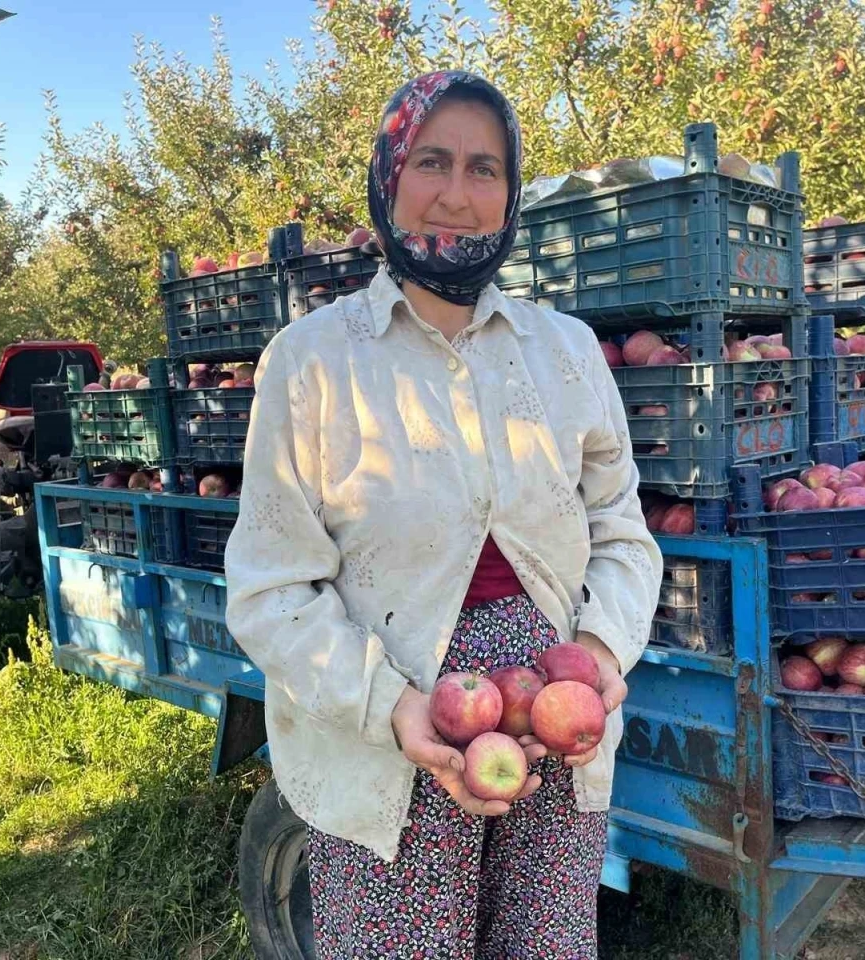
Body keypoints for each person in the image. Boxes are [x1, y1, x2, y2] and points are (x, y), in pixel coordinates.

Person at [224, 70, 662, 959]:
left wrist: (605, 657)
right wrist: (392, 709)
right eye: (432, 161)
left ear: (510, 194)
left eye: (484, 169)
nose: (458, 196)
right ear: (389, 177)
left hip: (553, 726)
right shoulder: (311, 363)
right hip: (388, 733)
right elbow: (270, 590)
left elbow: (622, 531)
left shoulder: (567, 352)